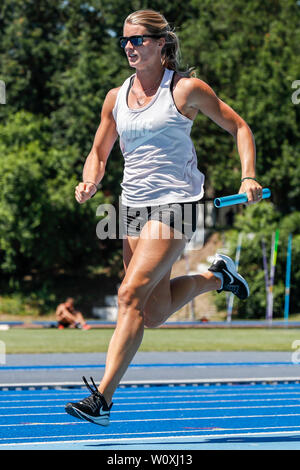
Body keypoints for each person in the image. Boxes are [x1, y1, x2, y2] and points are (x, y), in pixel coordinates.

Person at [65, 9, 263, 426]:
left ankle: (102, 399)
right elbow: (99, 153)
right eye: (124, 41)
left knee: (127, 296)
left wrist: (248, 177)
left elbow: (240, 128)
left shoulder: (186, 90)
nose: (129, 48)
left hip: (177, 204)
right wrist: (90, 181)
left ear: (160, 43)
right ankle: (218, 278)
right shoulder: (115, 97)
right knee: (151, 314)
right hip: (130, 206)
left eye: (137, 40)